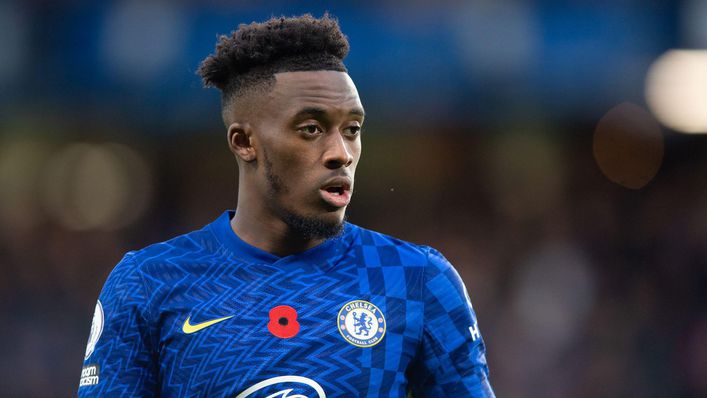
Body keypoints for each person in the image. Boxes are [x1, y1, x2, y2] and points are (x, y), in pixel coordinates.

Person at [77, 14, 494, 397]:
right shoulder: (149, 282)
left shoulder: (416, 279)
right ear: (244, 142)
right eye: (310, 129)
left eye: (352, 129)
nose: (341, 153)